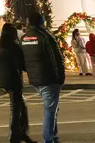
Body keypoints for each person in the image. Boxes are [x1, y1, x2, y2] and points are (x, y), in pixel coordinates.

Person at [21, 10, 64, 143]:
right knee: (50, 110)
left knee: (52, 108)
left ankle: (54, 136)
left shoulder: (24, 38)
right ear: (41, 22)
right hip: (48, 78)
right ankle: (48, 139)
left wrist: (30, 71)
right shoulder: (45, 36)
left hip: (35, 79)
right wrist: (60, 77)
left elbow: (23, 60)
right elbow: (56, 58)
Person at [0, 23, 34, 143]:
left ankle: (21, 133)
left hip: (4, 80)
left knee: (21, 107)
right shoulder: (13, 47)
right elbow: (21, 63)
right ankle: (15, 135)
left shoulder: (0, 46)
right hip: (13, 80)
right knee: (17, 108)